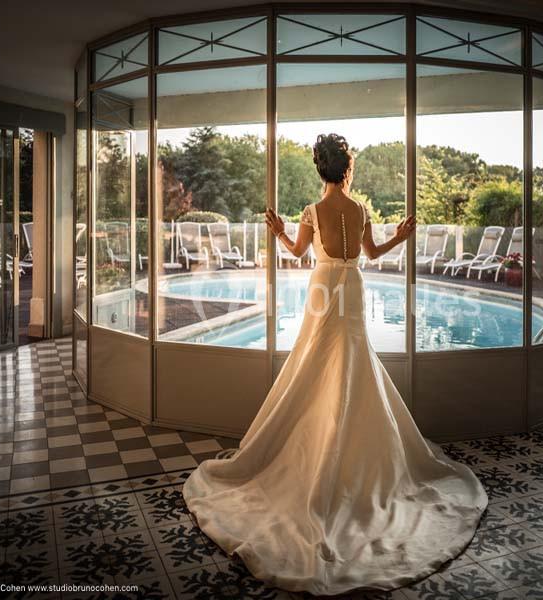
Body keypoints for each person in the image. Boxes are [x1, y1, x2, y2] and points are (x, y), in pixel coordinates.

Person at [183, 133, 488, 596]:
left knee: (315, 358)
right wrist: (400, 237)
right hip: (353, 285)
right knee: (352, 358)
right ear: (346, 169)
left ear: (319, 169)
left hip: (324, 286)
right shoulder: (361, 209)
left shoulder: (312, 211)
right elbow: (371, 255)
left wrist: (277, 230)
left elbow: (296, 253)